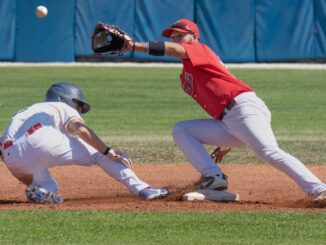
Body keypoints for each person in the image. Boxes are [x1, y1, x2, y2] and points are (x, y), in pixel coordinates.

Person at [124, 19, 326, 202]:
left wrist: (133, 45)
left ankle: (319, 189)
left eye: (180, 35)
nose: (176, 38)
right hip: (230, 120)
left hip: (243, 108)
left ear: (194, 37)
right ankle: (214, 178)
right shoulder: (187, 72)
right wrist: (230, 137)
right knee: (182, 130)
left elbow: (172, 50)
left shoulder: (199, 49)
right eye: (173, 36)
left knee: (269, 151)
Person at [0, 82, 168, 204]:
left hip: (11, 156)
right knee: (100, 154)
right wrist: (108, 150)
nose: (79, 110)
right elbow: (81, 129)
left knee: (48, 187)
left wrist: (22, 169)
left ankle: (42, 191)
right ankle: (144, 189)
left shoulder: (23, 113)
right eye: (78, 105)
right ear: (64, 99)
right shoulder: (62, 106)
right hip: (41, 138)